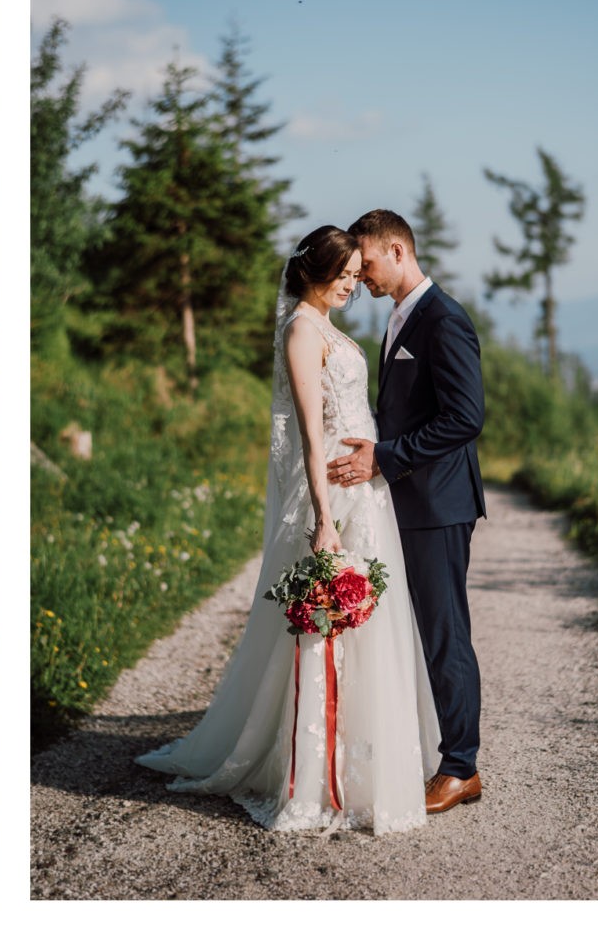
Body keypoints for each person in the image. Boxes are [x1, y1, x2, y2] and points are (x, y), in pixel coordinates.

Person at [138, 226, 441, 831]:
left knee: (370, 624)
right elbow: (309, 433)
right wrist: (325, 518)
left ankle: (369, 758)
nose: (354, 285)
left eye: (359, 274)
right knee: (331, 627)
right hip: (334, 492)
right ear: (317, 272)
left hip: (366, 489)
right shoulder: (302, 330)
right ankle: (317, 768)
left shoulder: (327, 326)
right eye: (346, 275)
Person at [327, 209, 489, 813]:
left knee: (445, 633)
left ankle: (460, 767)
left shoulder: (443, 319)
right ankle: (432, 750)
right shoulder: (401, 317)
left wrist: (385, 458)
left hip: (438, 501)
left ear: (397, 250)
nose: (359, 276)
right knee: (419, 632)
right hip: (407, 499)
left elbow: (465, 417)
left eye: (365, 263)